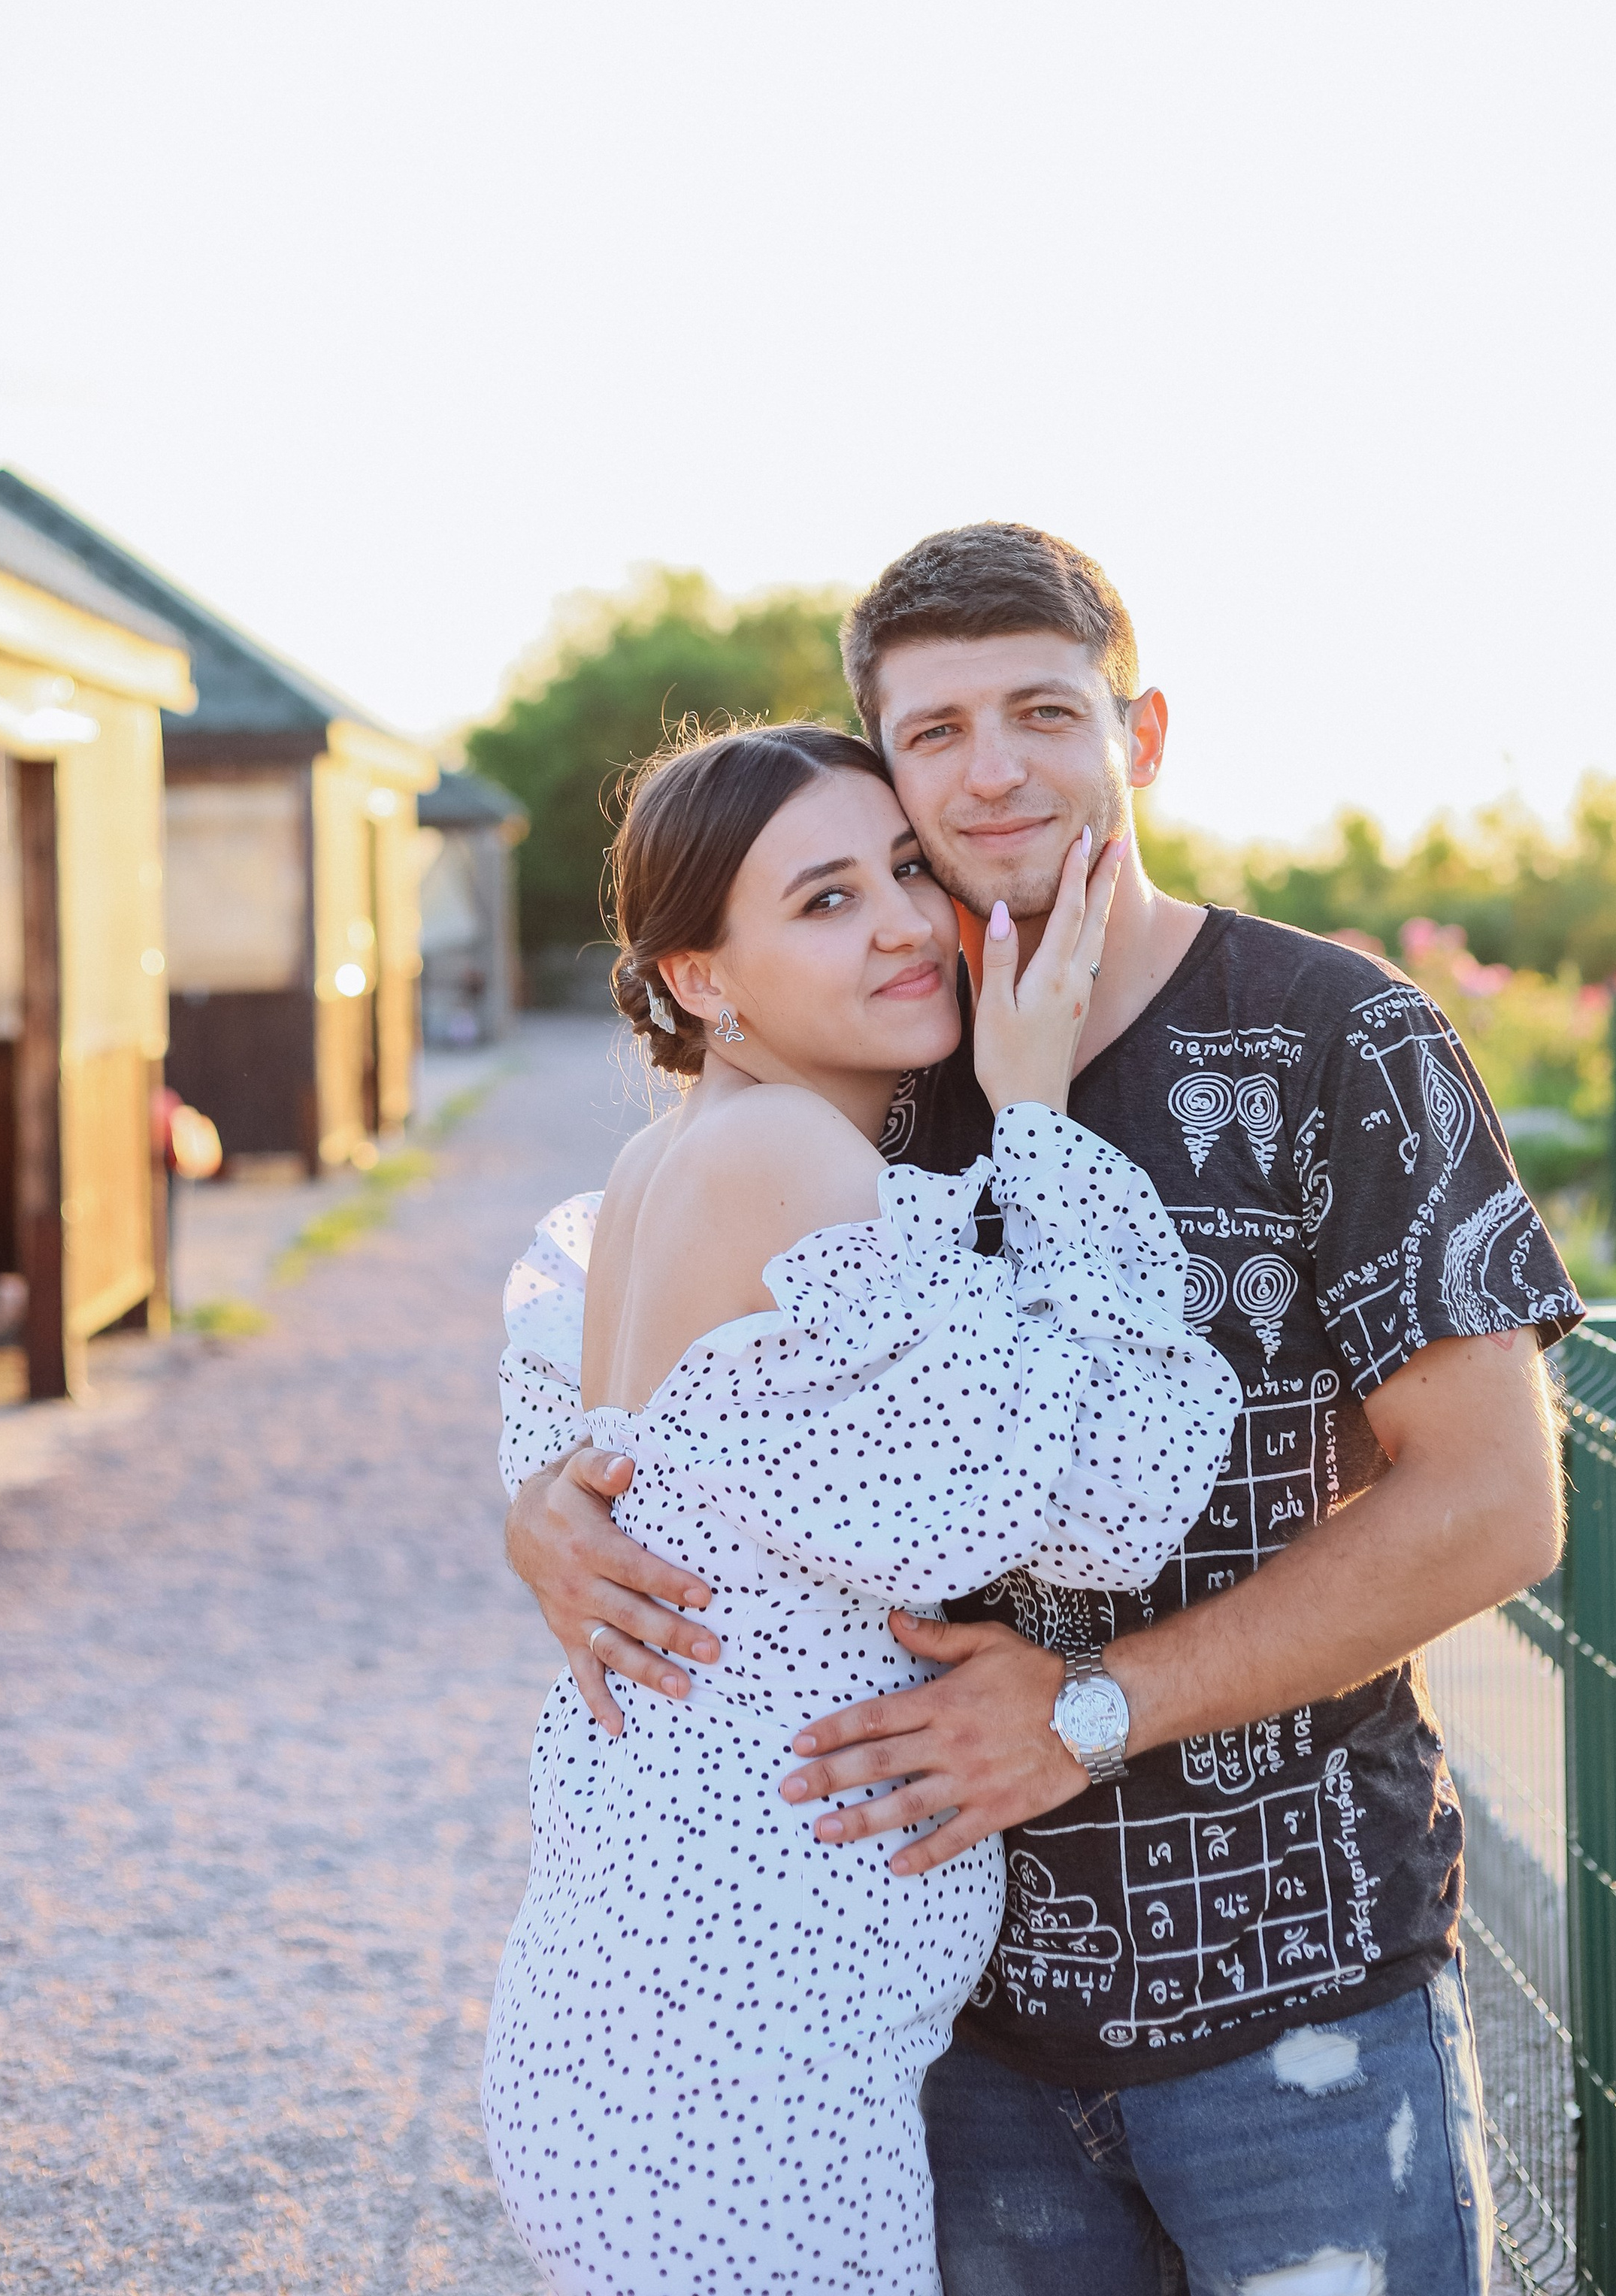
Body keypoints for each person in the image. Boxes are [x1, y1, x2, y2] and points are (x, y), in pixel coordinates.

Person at [506, 524, 1583, 2296]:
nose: (990, 769)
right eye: (931, 734)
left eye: (1040, 711)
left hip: (1282, 1992)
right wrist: (549, 1494)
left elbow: (1491, 1505)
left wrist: (1085, 1710)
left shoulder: (1335, 1036)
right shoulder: (879, 1065)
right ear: (888, 769)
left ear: (1137, 734)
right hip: (952, 2034)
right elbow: (664, 1357)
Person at [486, 718, 1243, 2296]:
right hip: (729, 2049)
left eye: (904, 868)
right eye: (823, 900)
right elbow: (1100, 1497)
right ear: (702, 979)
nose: (905, 920)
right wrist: (1032, 1114)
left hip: (675, 2000)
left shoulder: (673, 1158)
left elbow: (582, 1449)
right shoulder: (778, 1156)